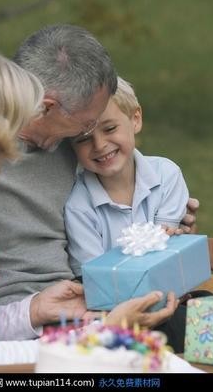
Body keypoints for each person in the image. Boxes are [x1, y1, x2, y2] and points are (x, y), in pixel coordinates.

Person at [0, 25, 197, 349]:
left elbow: (121, 174)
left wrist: (163, 215)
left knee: (190, 320)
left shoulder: (70, 144)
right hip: (10, 323)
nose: (90, 137)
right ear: (49, 106)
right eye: (86, 125)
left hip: (70, 303)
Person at [65, 76, 188, 270]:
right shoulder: (79, 207)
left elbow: (166, 251)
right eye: (83, 139)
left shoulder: (167, 176)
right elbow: (95, 275)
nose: (100, 145)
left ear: (135, 120)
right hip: (113, 297)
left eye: (110, 128)